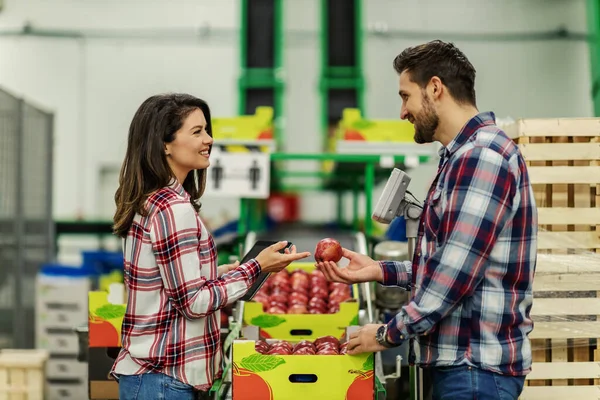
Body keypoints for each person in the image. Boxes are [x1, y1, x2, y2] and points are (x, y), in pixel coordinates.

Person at [316, 40, 537, 400]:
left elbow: (454, 275)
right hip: (464, 368)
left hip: (474, 369)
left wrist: (387, 334)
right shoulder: (460, 157)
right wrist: (380, 270)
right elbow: (452, 262)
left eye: (406, 96)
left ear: (435, 88)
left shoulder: (482, 157)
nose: (402, 111)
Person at [110, 93, 311, 400]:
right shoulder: (172, 209)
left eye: (207, 129)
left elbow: (169, 283)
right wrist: (256, 267)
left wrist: (216, 273)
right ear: (164, 144)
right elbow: (192, 302)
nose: (209, 139)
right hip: (163, 379)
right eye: (197, 131)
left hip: (154, 377)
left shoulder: (154, 200)